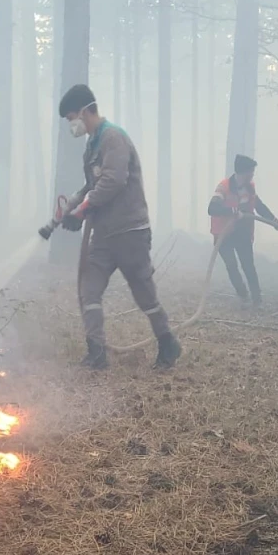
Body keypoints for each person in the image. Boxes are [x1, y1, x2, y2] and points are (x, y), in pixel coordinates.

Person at [58, 84, 181, 370]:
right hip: (103, 235)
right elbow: (91, 185)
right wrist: (72, 206)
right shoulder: (92, 145)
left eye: (71, 117)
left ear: (87, 110)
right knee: (89, 290)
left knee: (143, 293)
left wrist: (83, 210)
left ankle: (167, 343)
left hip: (129, 232)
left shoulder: (114, 138)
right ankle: (97, 352)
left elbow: (113, 181)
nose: (71, 125)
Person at [208, 155, 278, 307]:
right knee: (231, 265)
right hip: (223, 234)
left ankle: (257, 300)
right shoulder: (223, 187)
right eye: (251, 172)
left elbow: (259, 206)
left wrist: (274, 221)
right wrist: (233, 210)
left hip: (242, 231)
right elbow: (212, 208)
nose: (253, 175)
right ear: (243, 172)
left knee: (248, 265)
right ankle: (243, 294)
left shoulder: (250, 187)